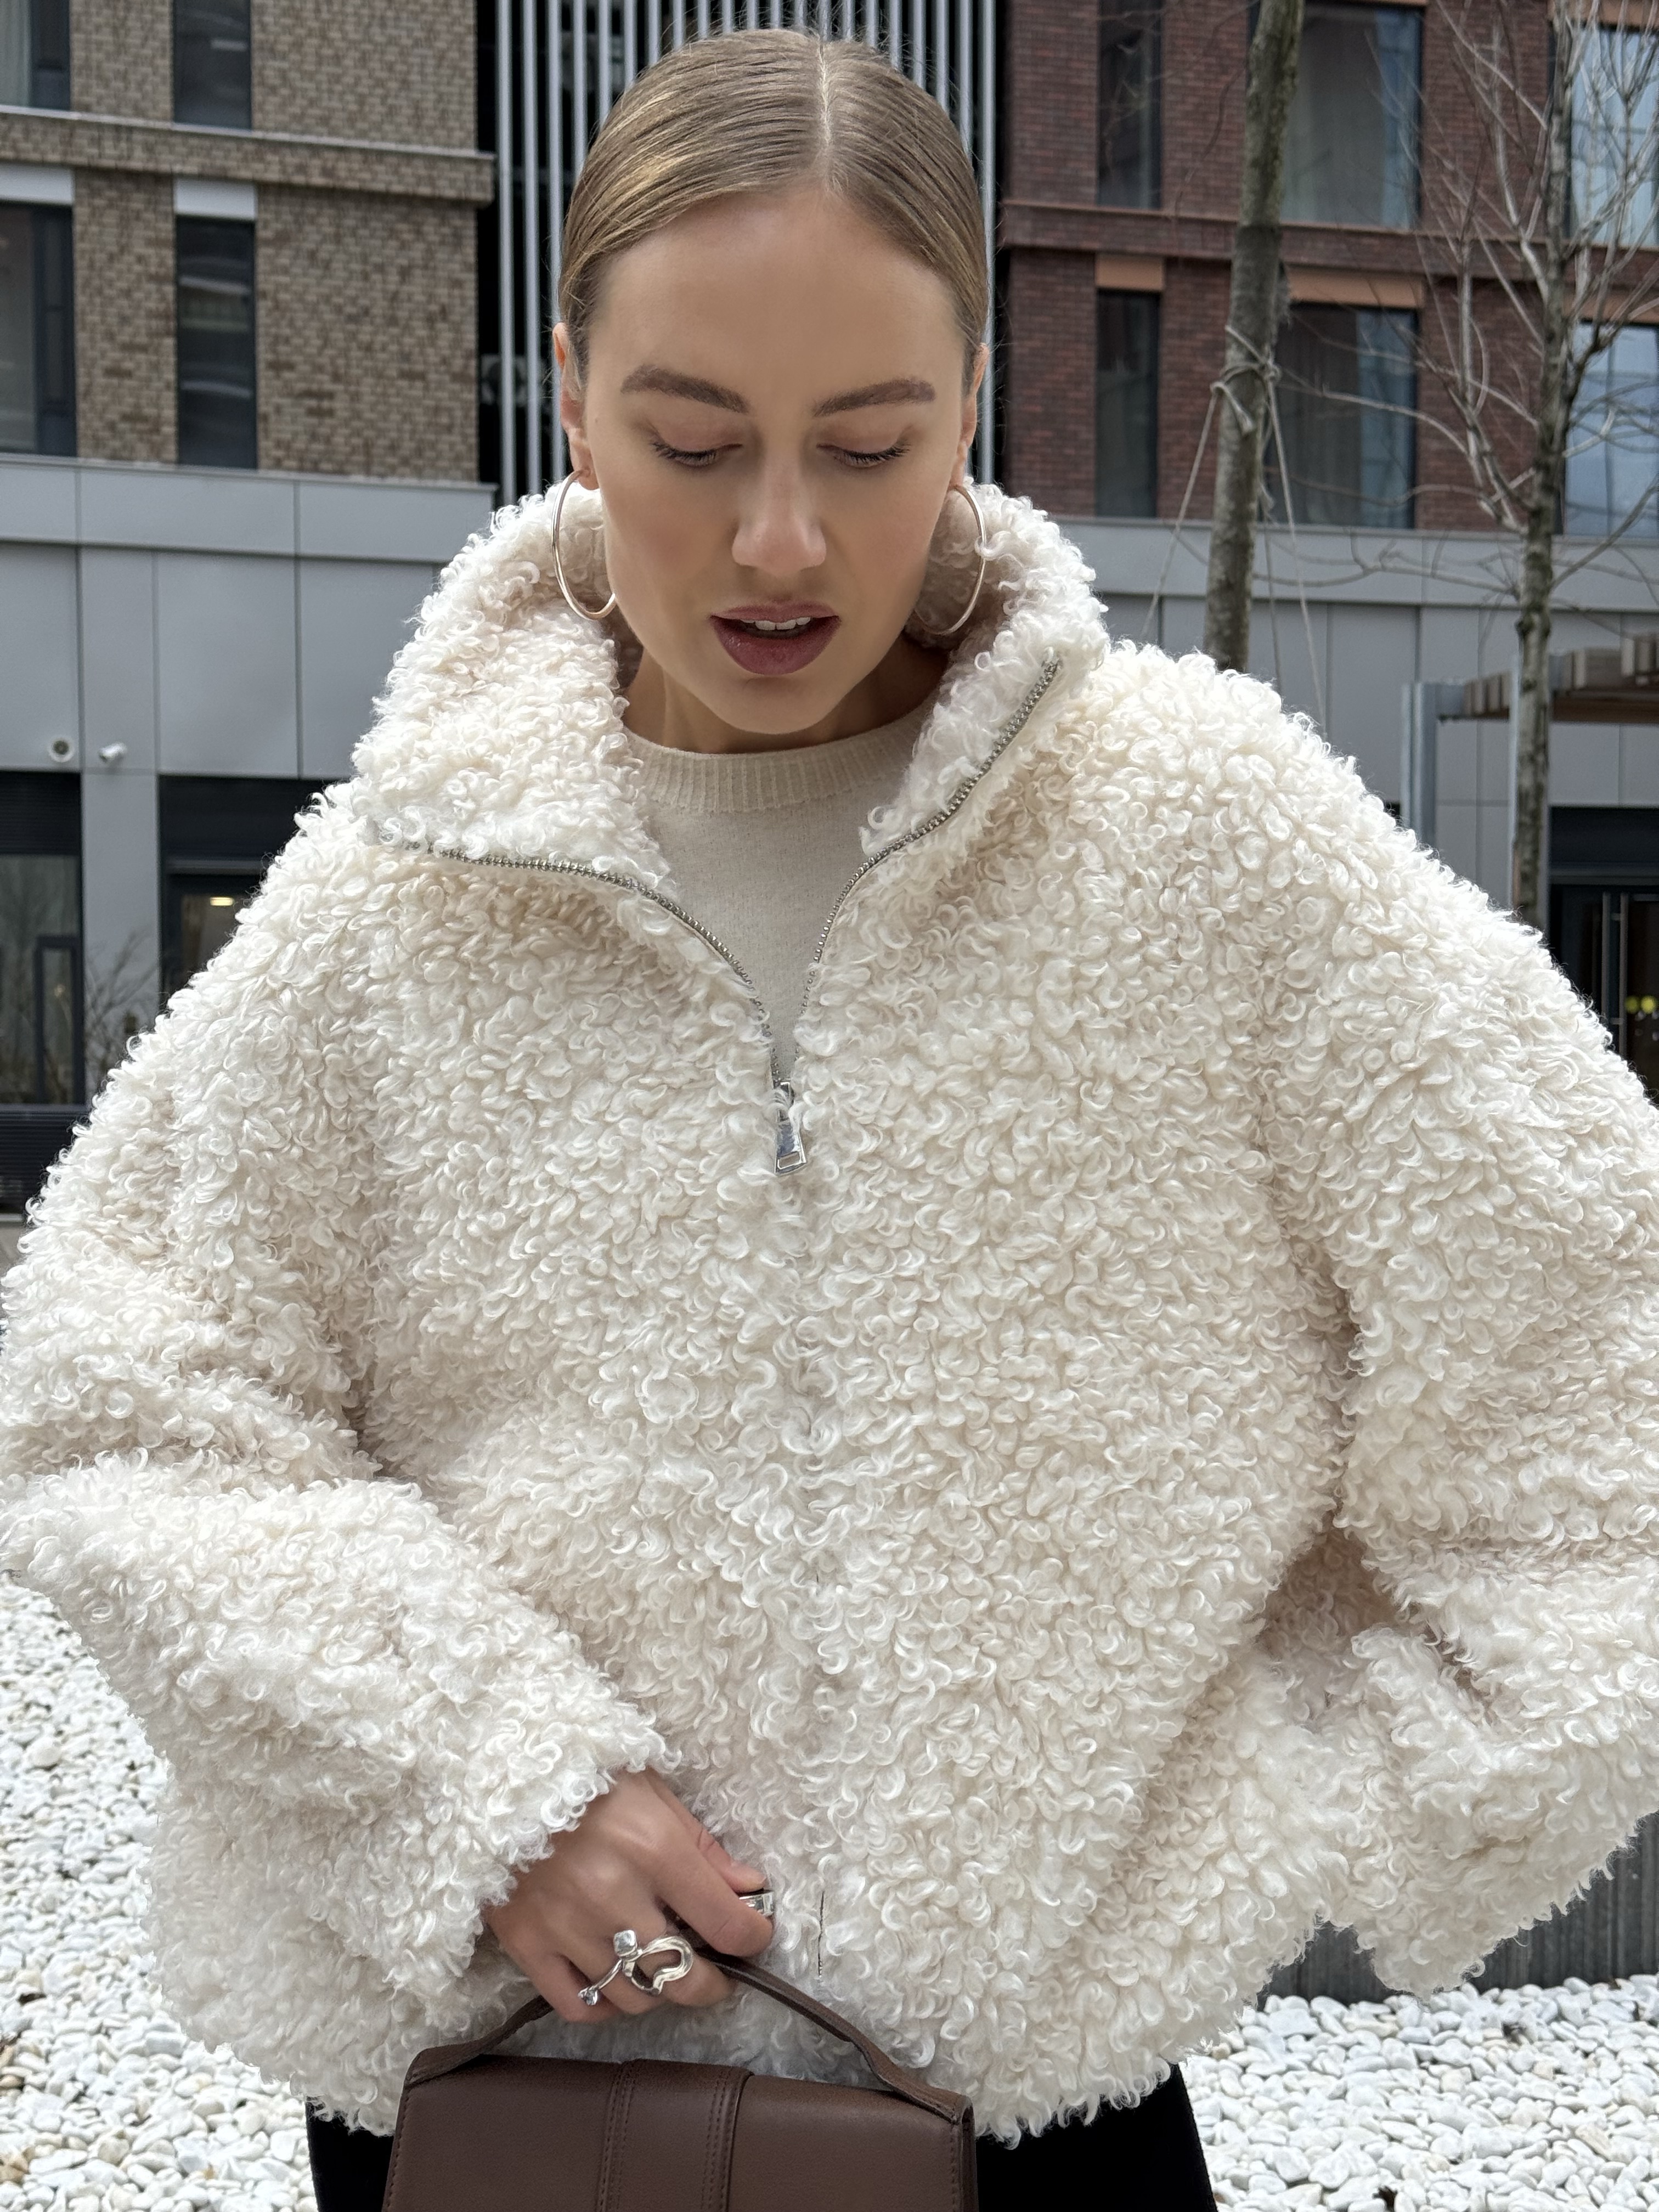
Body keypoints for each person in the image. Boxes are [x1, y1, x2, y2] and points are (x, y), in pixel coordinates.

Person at [3, 25, 1659, 2211]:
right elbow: (118, 1397)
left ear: (970, 407)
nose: (779, 538)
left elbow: (1590, 1324)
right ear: (572, 396)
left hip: (1027, 2128)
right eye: (690, 441)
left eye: (870, 445)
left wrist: (1304, 1816)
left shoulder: (1209, 847)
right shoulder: (397, 901)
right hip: (498, 2102)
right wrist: (479, 1782)